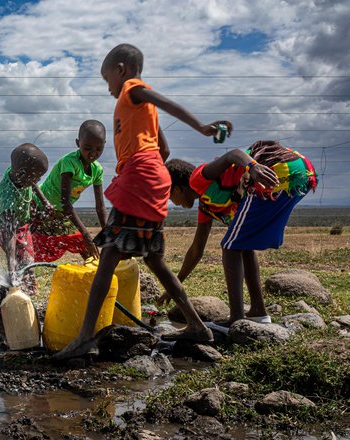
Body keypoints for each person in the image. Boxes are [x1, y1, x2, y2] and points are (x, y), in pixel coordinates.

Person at [55, 43, 231, 359]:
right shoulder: (142, 115)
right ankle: (196, 325)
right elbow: (162, 150)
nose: (108, 87)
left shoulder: (133, 91)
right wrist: (148, 169)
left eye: (107, 78)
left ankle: (84, 337)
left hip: (139, 180)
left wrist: (202, 127)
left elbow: (163, 101)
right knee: (153, 259)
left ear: (121, 70)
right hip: (153, 180)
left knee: (108, 258)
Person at [164, 140, 317, 325]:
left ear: (178, 188)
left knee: (230, 246)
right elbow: (196, 250)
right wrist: (175, 284)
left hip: (278, 169)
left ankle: (236, 318)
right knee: (241, 244)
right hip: (301, 173)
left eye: (168, 194)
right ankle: (258, 312)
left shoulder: (198, 179)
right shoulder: (208, 206)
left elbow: (232, 155)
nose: (170, 201)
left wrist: (253, 166)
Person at [32, 120, 107, 262]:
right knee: (37, 245)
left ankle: (93, 275)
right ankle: (20, 272)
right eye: (88, 148)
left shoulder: (97, 170)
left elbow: (100, 206)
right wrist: (85, 233)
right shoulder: (70, 162)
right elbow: (65, 202)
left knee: (83, 243)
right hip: (41, 205)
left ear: (104, 145)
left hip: (60, 211)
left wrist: (108, 232)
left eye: (98, 149)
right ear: (78, 143)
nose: (93, 153)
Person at [0, 143, 52, 297]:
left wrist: (45, 201)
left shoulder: (17, 173)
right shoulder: (8, 196)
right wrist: (10, 268)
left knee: (28, 258)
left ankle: (29, 288)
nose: (39, 179)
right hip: (1, 225)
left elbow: (33, 183)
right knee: (18, 259)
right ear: (23, 175)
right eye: (37, 176)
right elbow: (10, 236)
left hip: (22, 222)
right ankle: (11, 290)